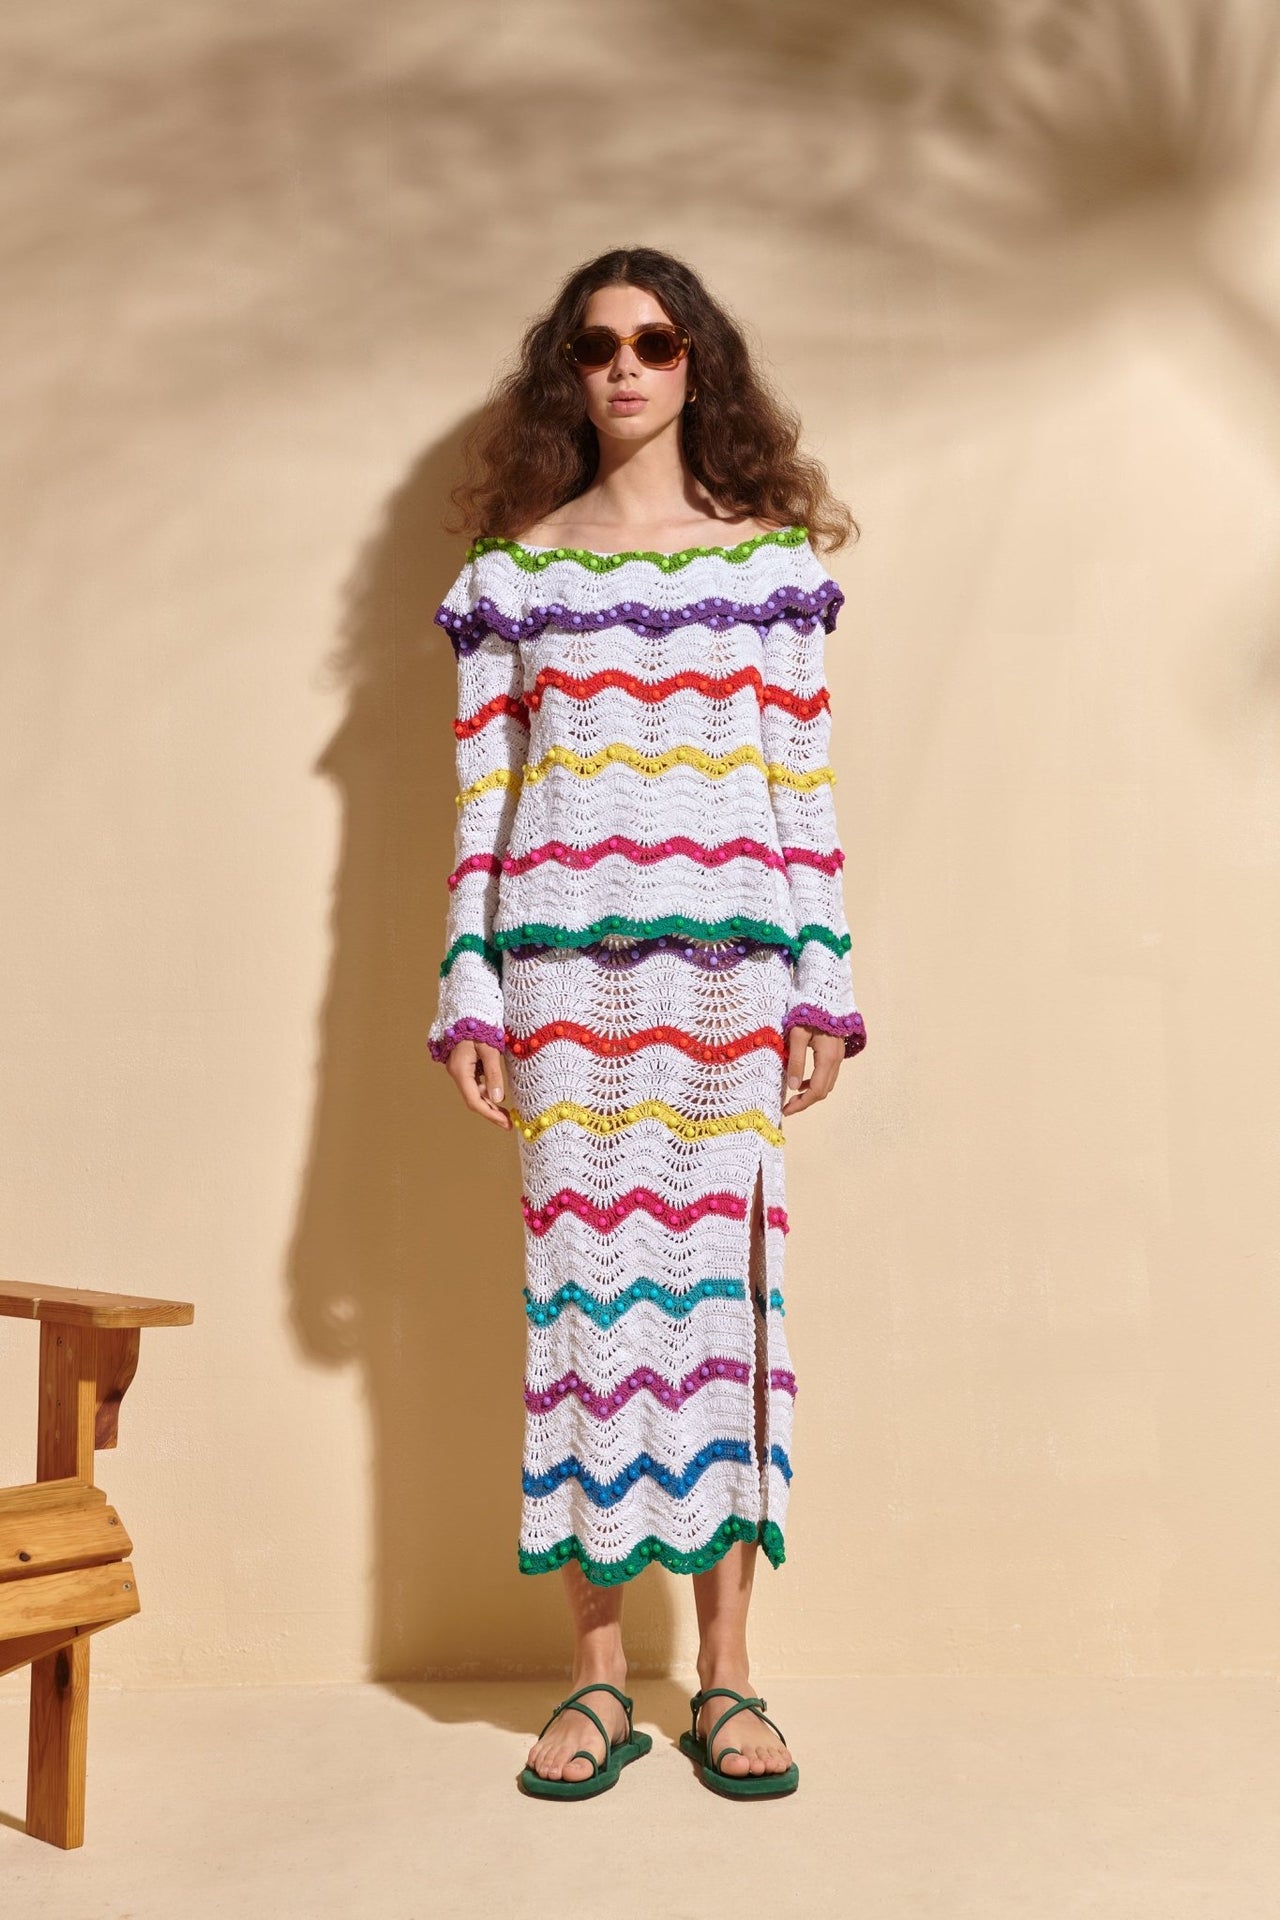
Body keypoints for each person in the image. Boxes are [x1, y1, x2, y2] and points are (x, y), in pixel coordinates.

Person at [427, 245, 867, 1800]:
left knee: (722, 1311)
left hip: (732, 979)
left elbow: (799, 789)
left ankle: (728, 1676)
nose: (626, 366)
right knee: (587, 1315)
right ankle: (599, 1678)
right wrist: (469, 983)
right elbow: (481, 804)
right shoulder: (514, 576)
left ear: (699, 367)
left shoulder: (765, 565)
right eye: (597, 343)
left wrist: (825, 980)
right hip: (560, 982)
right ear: (567, 368)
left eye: (658, 342)